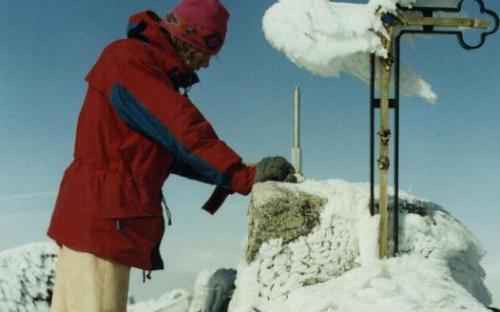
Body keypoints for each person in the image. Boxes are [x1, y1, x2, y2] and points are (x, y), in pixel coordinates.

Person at [47, 0, 295, 311]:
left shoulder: (142, 68)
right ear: (189, 36)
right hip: (101, 217)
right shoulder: (129, 60)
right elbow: (181, 128)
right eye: (207, 51)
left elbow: (172, 151)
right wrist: (239, 175)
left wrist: (239, 172)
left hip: (100, 216)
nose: (205, 64)